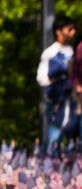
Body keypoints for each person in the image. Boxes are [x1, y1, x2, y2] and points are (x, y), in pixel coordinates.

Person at [37, 16, 78, 154]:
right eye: (69, 29)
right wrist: (60, 74)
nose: (73, 32)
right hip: (57, 103)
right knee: (55, 139)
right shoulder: (50, 53)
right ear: (59, 31)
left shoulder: (74, 51)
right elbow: (41, 79)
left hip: (75, 102)